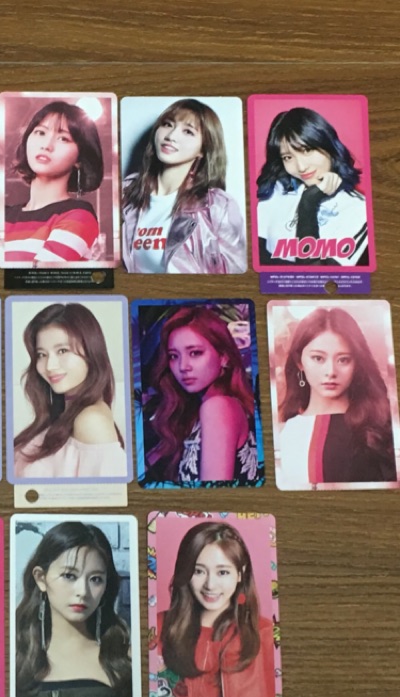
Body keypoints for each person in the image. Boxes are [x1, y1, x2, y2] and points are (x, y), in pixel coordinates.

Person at [156, 521, 276, 697]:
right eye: (198, 571)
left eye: (222, 572)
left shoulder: (265, 634)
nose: (210, 585)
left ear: (240, 573)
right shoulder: (157, 627)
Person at [15, 521, 132, 697]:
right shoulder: (12, 655)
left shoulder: (124, 660)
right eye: (69, 576)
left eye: (96, 579)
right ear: (41, 578)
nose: (83, 591)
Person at [122, 98, 246, 274]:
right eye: (167, 124)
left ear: (203, 149)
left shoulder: (216, 206)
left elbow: (234, 274)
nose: (171, 136)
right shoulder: (126, 193)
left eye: (188, 131)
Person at [143, 305, 262, 486]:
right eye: (174, 356)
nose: (183, 366)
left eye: (195, 353)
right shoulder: (197, 412)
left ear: (223, 357)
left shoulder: (218, 407)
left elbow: (213, 494)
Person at [278, 306, 396, 486]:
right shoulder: (287, 432)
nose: (331, 371)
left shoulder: (381, 428)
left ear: (357, 364)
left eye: (343, 359)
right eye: (318, 358)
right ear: (299, 361)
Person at [13, 303, 126, 479]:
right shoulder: (62, 412)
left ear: (91, 351)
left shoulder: (92, 421)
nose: (50, 366)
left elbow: (106, 493)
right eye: (42, 354)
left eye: (62, 351)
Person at [256, 106, 368, 267]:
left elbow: (316, 273)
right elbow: (256, 258)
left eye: (307, 150)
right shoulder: (277, 191)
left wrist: (308, 203)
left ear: (328, 146)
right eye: (288, 157)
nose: (301, 167)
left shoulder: (358, 209)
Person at [4, 100, 103, 266]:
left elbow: (36, 278)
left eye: (63, 138)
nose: (46, 145)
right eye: (40, 133)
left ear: (79, 159)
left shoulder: (79, 216)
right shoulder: (3, 215)